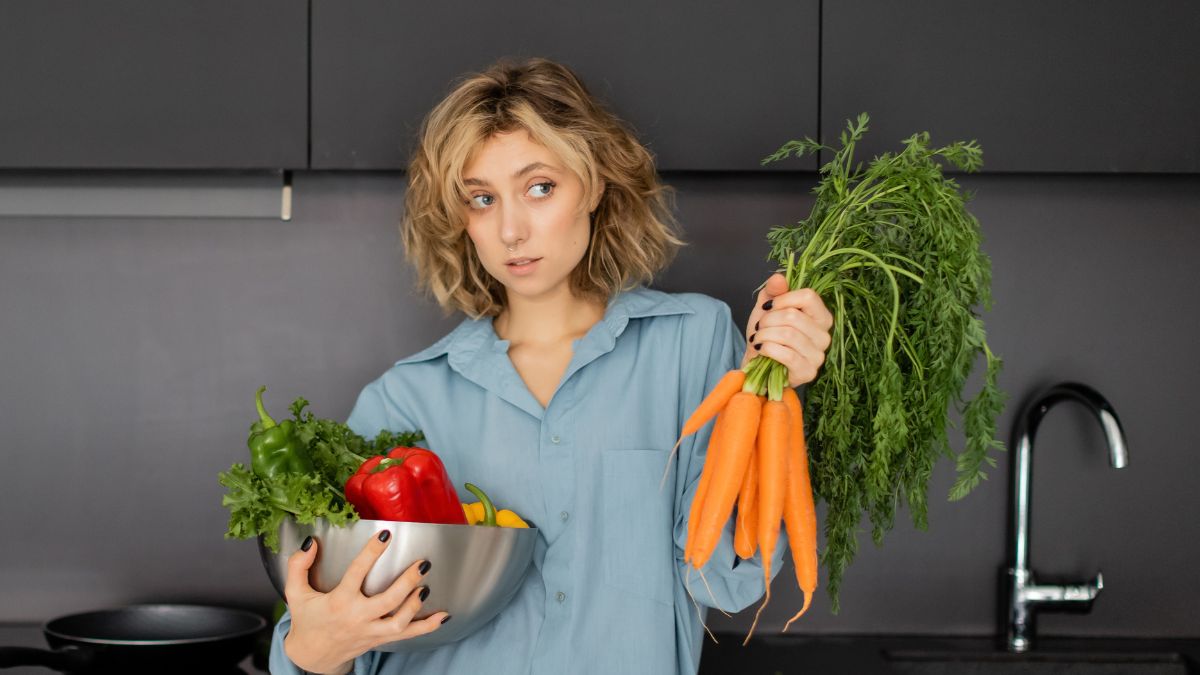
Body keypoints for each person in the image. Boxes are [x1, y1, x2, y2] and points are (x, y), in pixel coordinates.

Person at [269, 57, 833, 675]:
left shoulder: (691, 345)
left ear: (592, 183)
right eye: (482, 199)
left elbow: (728, 581)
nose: (511, 230)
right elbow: (328, 629)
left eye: (540, 187)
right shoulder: (406, 400)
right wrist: (313, 651)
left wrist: (768, 391)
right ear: (462, 221)